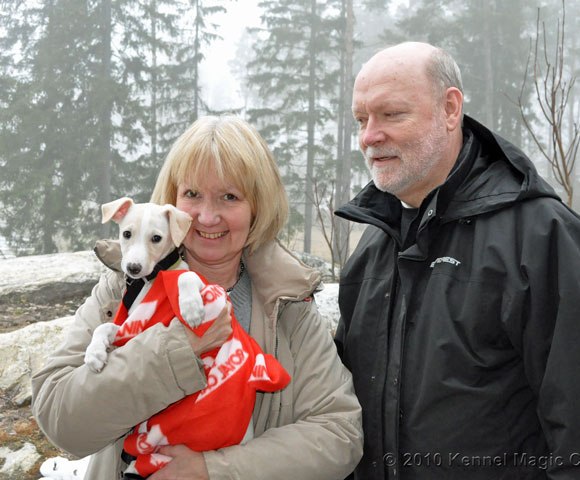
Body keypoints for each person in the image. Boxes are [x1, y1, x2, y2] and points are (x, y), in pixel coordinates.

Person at [334, 42, 580, 480]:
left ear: (450, 109)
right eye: (362, 120)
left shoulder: (541, 235)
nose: (369, 136)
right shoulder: (373, 242)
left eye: (392, 114)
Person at [32, 115, 363, 480]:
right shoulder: (122, 288)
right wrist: (178, 348)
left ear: (257, 208)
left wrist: (214, 470)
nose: (206, 217)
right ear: (171, 200)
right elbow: (60, 418)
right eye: (192, 194)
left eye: (230, 196)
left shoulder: (288, 303)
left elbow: (339, 433)